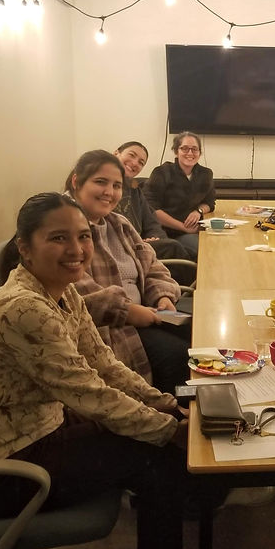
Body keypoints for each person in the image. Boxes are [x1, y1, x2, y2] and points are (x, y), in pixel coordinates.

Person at [0, 192, 197, 549]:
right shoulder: (25, 308)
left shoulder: (60, 292)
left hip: (35, 431)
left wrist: (168, 406)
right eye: (58, 238)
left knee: (152, 439)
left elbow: (104, 366)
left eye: (83, 236)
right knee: (159, 463)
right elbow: (90, 393)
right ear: (25, 247)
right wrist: (168, 430)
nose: (77, 250)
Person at [64, 150, 191, 394]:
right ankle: (171, 420)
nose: (109, 192)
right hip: (109, 326)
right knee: (178, 355)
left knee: (203, 329)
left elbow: (152, 265)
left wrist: (161, 295)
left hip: (150, 311)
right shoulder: (65, 227)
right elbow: (72, 292)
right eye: (100, 182)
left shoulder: (118, 223)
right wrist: (128, 311)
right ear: (76, 181)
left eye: (116, 185)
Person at [113, 141, 193, 262]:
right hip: (122, 251)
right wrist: (139, 242)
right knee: (174, 247)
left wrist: (155, 237)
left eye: (141, 162)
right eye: (131, 155)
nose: (135, 163)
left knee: (195, 253)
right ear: (116, 153)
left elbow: (152, 222)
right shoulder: (103, 190)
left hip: (143, 246)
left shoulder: (135, 192)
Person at [145, 132, 216, 259]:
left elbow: (210, 203)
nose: (190, 153)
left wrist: (198, 211)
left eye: (194, 149)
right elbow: (151, 209)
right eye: (184, 148)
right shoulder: (161, 173)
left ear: (199, 152)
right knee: (206, 252)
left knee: (218, 246)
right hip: (165, 233)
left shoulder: (205, 174)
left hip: (193, 231)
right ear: (176, 151)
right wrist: (183, 227)